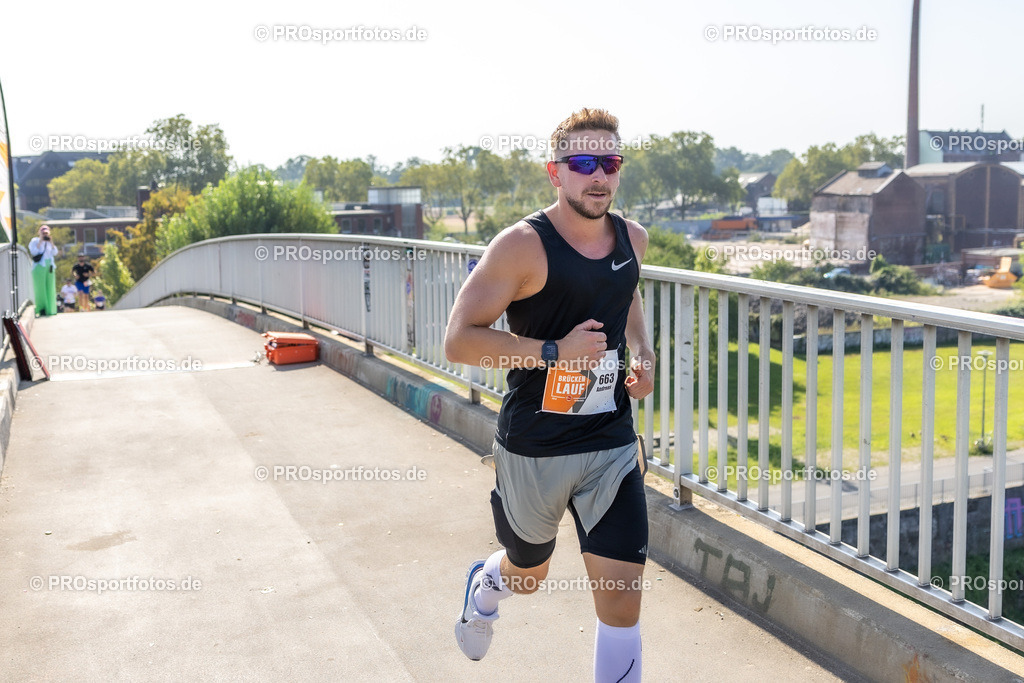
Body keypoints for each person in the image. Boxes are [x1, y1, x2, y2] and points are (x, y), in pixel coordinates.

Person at [444, 109, 655, 682]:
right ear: (554, 173)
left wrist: (643, 353)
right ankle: (488, 583)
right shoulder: (521, 247)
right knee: (528, 574)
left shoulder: (632, 237)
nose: (598, 176)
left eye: (609, 162)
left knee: (621, 600)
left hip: (610, 441)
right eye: (583, 163)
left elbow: (627, 296)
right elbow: (459, 341)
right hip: (536, 446)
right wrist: (555, 352)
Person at [28, 225, 59, 316]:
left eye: (46, 233)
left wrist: (51, 242)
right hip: (39, 266)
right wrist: (41, 241)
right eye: (43, 233)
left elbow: (55, 252)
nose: (45, 234)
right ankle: (41, 309)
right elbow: (34, 252)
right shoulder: (35, 241)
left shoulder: (49, 242)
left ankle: (51, 309)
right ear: (39, 232)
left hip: (49, 266)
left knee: (50, 288)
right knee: (40, 289)